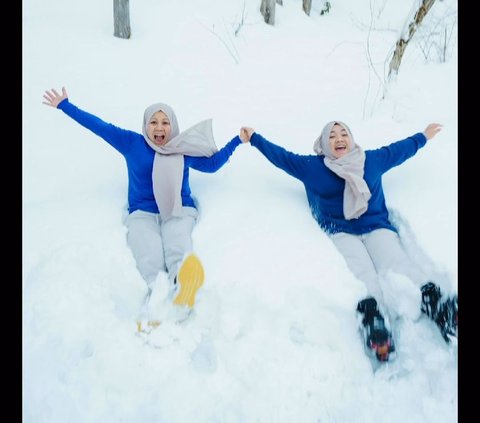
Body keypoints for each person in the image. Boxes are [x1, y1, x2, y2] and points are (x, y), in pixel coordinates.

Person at [239, 121, 457, 362]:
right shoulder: (313, 168)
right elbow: (282, 158)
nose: (339, 138)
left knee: (399, 266)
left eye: (344, 134)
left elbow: (399, 150)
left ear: (352, 140)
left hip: (376, 227)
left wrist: (423, 136)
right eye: (331, 136)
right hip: (342, 231)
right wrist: (255, 138)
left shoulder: (370, 160)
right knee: (364, 275)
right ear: (323, 144)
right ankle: (374, 324)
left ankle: (440, 307)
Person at [43, 86, 246, 326]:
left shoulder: (182, 148)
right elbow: (99, 126)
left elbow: (212, 165)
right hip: (142, 213)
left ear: (173, 125)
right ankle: (157, 296)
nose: (159, 127)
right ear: (145, 125)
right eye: (153, 122)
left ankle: (183, 288)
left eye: (165, 122)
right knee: (147, 251)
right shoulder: (131, 143)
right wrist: (65, 106)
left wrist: (237, 141)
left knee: (177, 243)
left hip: (178, 210)